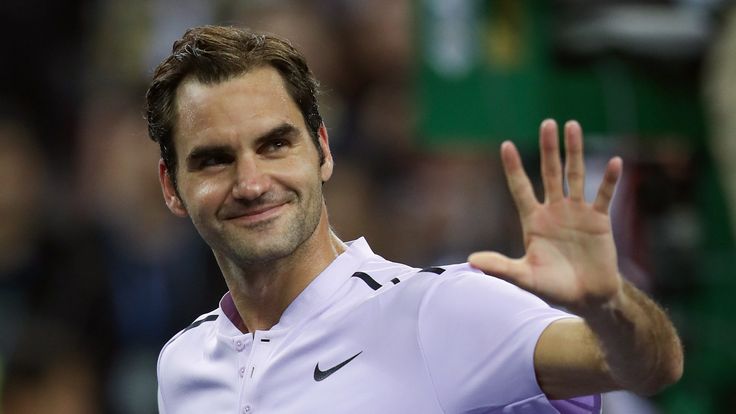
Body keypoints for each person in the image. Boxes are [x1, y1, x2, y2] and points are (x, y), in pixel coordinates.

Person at [145, 25, 683, 413]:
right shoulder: (182, 366)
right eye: (214, 159)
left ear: (323, 151)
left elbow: (649, 367)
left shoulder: (434, 312)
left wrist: (608, 305)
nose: (252, 182)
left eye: (275, 144)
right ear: (172, 187)